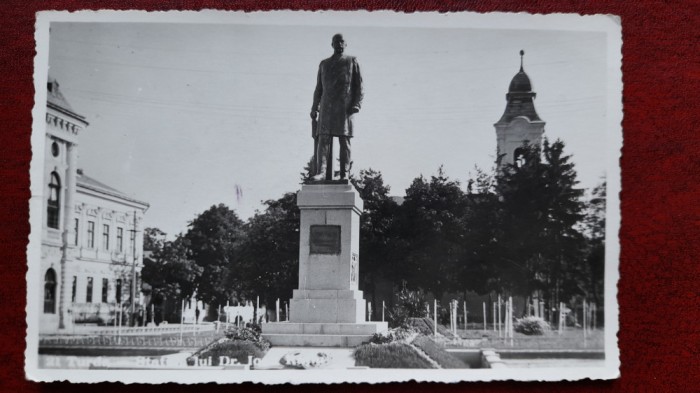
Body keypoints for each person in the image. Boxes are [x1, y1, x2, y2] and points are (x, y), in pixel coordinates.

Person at [310, 33, 364, 180]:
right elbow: (318, 88)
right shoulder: (324, 64)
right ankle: (321, 172)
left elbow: (359, 85)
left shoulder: (352, 61)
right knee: (323, 139)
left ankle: (344, 173)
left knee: (344, 140)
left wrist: (357, 104)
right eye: (336, 42)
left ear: (346, 44)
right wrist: (314, 107)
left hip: (344, 107)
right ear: (332, 44)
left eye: (342, 42)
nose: (339, 44)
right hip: (326, 107)